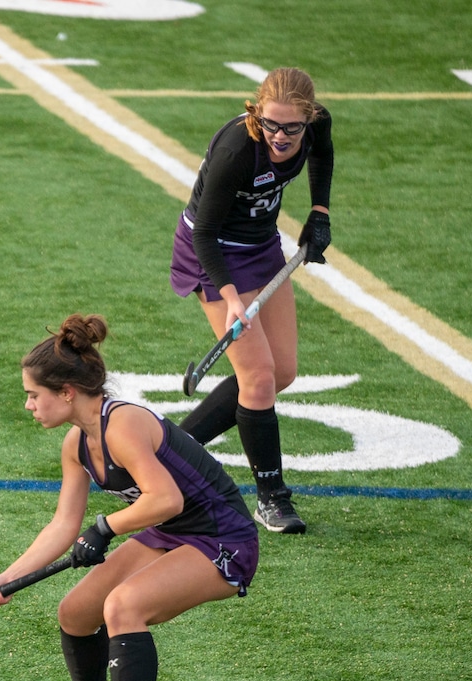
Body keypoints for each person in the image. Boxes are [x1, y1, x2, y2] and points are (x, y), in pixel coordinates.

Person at [0, 314, 259, 681]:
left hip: (222, 539)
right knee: (76, 611)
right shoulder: (77, 443)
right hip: (169, 532)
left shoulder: (123, 424)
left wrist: (105, 527)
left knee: (123, 606)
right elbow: (63, 525)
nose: (28, 405)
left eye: (33, 394)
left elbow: (165, 498)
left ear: (67, 392)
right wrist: (8, 578)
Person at [169, 66, 334, 534]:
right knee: (258, 378)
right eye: (271, 124)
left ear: (309, 117)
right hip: (214, 254)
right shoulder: (237, 150)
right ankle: (271, 498)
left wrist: (319, 211)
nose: (280, 136)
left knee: (281, 372)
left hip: (261, 247)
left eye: (292, 128)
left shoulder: (316, 126)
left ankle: (169, 449)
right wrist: (230, 299)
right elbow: (204, 233)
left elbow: (323, 153)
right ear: (257, 112)